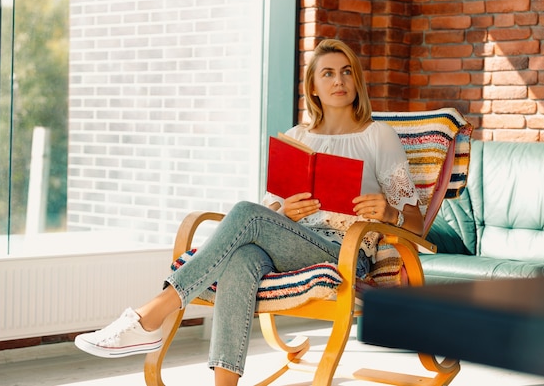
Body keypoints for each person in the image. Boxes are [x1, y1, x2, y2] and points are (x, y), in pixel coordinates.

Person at [74, 38, 423, 386]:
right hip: (292, 244)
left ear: (357, 80)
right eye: (328, 73)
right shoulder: (297, 137)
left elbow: (418, 224)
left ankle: (150, 315)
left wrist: (389, 213)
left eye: (347, 72)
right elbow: (269, 208)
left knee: (245, 213)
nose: (339, 81)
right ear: (313, 87)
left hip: (344, 252)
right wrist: (285, 210)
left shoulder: (379, 136)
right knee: (243, 257)